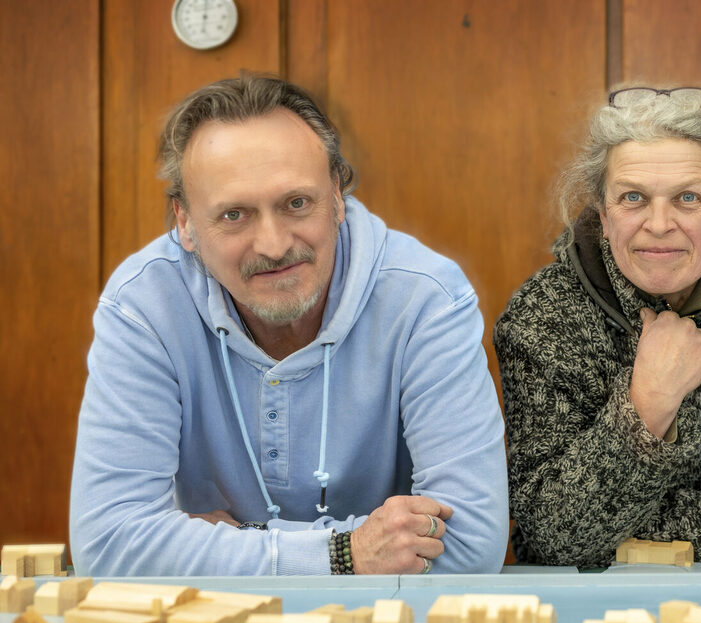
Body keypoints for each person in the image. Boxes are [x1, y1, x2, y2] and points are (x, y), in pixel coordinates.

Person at [69, 74, 508, 576]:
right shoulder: (143, 305)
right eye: (235, 215)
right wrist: (347, 553)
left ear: (337, 196)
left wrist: (220, 544)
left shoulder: (426, 297)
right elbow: (107, 548)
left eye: (296, 203)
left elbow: (473, 546)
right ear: (185, 224)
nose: (274, 245)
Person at [494, 87, 701, 568]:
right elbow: (550, 536)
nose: (660, 224)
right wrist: (647, 403)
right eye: (633, 198)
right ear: (603, 216)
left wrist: (607, 528)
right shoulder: (544, 316)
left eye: (688, 198)